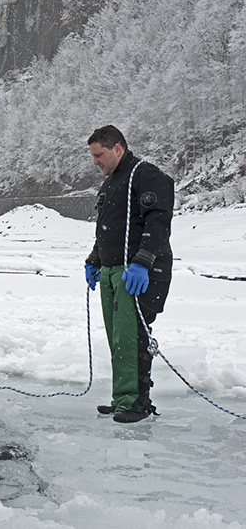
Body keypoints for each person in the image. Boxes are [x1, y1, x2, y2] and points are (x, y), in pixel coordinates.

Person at [84, 125, 174, 423]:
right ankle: (123, 398)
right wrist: (95, 260)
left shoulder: (146, 175)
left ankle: (138, 403)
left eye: (99, 155)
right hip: (113, 271)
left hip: (140, 271)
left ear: (117, 149)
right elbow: (106, 228)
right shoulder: (110, 184)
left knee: (133, 335)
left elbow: (158, 221)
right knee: (117, 338)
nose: (95, 161)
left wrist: (143, 261)